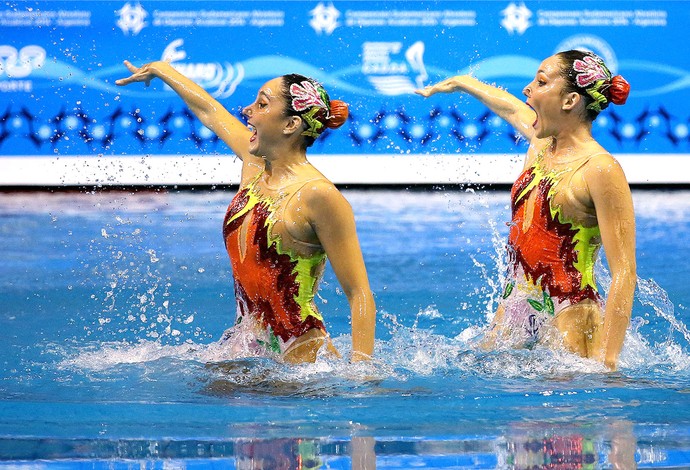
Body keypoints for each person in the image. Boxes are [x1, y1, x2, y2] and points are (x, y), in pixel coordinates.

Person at [116, 61, 375, 363]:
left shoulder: (319, 196)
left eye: (262, 104)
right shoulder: (255, 168)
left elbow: (359, 293)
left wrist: (362, 372)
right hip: (248, 345)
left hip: (302, 359)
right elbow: (210, 112)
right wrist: (162, 70)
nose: (247, 110)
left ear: (291, 124)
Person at [416, 50, 636, 370]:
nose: (527, 89)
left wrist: (610, 362)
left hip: (569, 322)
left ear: (570, 100)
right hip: (515, 313)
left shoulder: (599, 169)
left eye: (541, 81)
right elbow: (508, 105)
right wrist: (463, 83)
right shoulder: (541, 142)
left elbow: (624, 272)